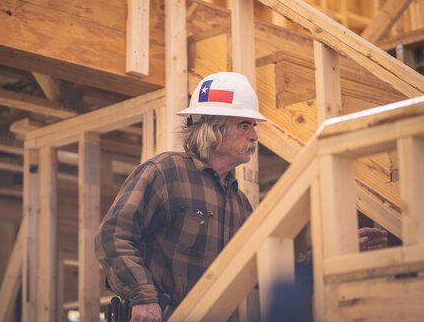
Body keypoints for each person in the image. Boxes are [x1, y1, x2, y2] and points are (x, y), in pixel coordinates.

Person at [95, 72, 388, 322]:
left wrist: (335, 251)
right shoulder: (164, 172)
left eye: (254, 127)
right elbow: (114, 237)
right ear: (213, 130)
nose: (255, 136)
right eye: (244, 126)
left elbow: (263, 268)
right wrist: (143, 297)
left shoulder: (239, 202)